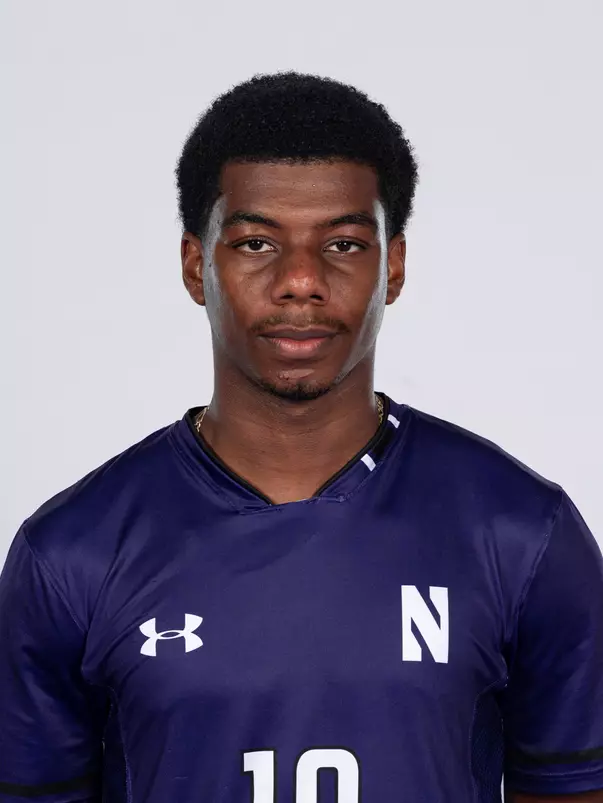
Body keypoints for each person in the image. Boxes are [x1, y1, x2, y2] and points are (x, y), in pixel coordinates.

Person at [0, 71, 601, 803]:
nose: (300, 281)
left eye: (344, 244)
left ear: (394, 266)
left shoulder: (521, 532)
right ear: (196, 265)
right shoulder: (72, 552)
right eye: (255, 243)